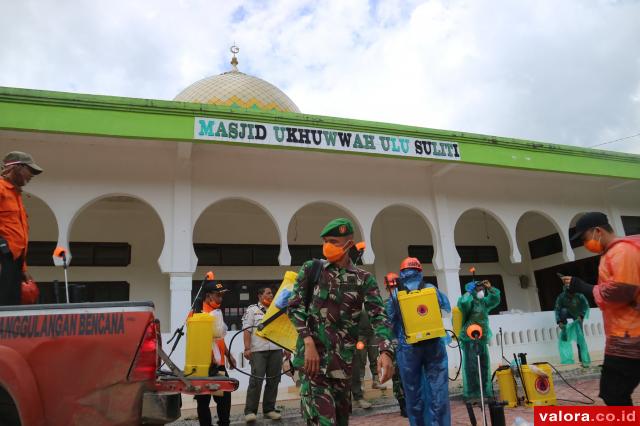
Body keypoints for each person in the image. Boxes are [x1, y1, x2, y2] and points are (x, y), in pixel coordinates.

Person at [287, 218, 394, 426]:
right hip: (312, 363)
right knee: (323, 421)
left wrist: (386, 351)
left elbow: (379, 316)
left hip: (343, 365)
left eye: (334, 241)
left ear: (349, 244)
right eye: (326, 241)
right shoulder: (312, 270)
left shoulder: (363, 279)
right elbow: (295, 307)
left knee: (341, 420)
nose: (328, 246)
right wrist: (308, 341)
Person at [562, 211, 640, 406]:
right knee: (614, 394)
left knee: (613, 394)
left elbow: (623, 291)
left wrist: (584, 287)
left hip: (630, 337)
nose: (584, 244)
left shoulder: (622, 251)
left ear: (597, 231)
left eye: (584, 238)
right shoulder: (611, 254)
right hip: (622, 336)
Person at [387, 257, 451, 426]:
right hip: (434, 344)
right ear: (420, 271)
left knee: (413, 393)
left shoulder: (395, 295)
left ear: (402, 273)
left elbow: (390, 323)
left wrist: (399, 338)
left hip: (408, 348)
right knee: (439, 390)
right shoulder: (431, 288)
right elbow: (447, 307)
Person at [0, 151, 43, 306]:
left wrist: (23, 268)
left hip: (14, 262)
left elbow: (19, 236)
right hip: (3, 259)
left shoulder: (16, 195)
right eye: (29, 170)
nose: (31, 175)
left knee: (12, 306)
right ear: (17, 167)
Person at [194, 281, 237, 426]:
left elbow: (218, 339)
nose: (221, 299)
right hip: (203, 366)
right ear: (208, 296)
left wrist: (228, 355)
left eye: (222, 295)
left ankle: (224, 423)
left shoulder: (216, 312)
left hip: (219, 365)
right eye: (218, 295)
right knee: (203, 400)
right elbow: (196, 341)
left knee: (224, 397)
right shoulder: (198, 313)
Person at [242, 286, 283, 422]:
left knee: (274, 380)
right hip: (258, 350)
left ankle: (269, 409)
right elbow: (247, 330)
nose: (271, 295)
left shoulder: (276, 309)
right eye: (268, 293)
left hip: (276, 350)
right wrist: (247, 348)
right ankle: (250, 411)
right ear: (260, 296)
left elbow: (283, 329)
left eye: (272, 293)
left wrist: (287, 349)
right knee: (256, 380)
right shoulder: (252, 310)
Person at [457, 279, 501, 402]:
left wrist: (490, 288)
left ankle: (485, 391)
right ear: (473, 290)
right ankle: (472, 393)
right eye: (479, 289)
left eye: (482, 289)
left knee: (484, 365)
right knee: (472, 366)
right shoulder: (470, 302)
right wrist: (469, 293)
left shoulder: (484, 302)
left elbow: (495, 299)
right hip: (469, 338)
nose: (481, 291)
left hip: (481, 338)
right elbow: (463, 303)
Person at [383, 272, 407, 418]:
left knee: (398, 376)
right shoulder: (406, 298)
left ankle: (404, 406)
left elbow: (385, 326)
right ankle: (406, 405)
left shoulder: (387, 303)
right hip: (405, 343)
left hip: (396, 343)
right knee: (402, 375)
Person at [554, 286, 591, 367]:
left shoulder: (580, 296)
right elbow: (557, 309)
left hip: (578, 315)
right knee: (563, 311)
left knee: (580, 336)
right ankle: (565, 328)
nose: (570, 296)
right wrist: (559, 321)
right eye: (568, 294)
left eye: (572, 294)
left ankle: (583, 359)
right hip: (566, 313)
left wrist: (581, 316)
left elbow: (586, 305)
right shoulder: (561, 297)